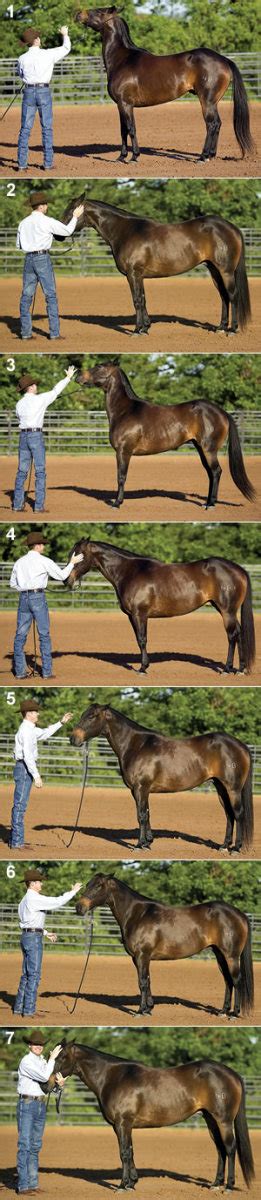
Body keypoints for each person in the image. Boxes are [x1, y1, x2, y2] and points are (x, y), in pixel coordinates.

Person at [10, 530, 83, 681]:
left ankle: (20, 672)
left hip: (23, 598)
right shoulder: (44, 561)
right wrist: (72, 563)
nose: (43, 546)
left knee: (20, 635)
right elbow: (62, 576)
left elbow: (12, 584)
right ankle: (47, 672)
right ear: (37, 546)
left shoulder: (19, 562)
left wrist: (25, 588)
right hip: (38, 598)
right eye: (42, 544)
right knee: (44, 635)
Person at [16, 191, 84, 341]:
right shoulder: (47, 221)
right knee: (50, 296)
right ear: (41, 206)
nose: (47, 206)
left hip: (28, 259)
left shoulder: (23, 223)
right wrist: (75, 217)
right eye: (45, 204)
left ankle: (25, 333)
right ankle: (54, 333)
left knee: (26, 296)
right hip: (42, 259)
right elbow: (67, 231)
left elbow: (19, 245)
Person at [14, 869, 82, 1016]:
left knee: (26, 974)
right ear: (32, 884)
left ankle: (18, 1008)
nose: (41, 883)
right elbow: (57, 902)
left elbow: (27, 922)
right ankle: (29, 1010)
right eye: (39, 881)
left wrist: (45, 932)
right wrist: (73, 891)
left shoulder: (23, 901)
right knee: (34, 975)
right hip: (33, 939)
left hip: (26, 937)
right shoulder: (34, 898)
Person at [13, 364, 76, 513]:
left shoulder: (19, 404)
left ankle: (17, 505)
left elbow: (18, 417)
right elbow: (56, 390)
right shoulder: (41, 399)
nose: (36, 386)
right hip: (35, 436)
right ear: (32, 387)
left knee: (22, 471)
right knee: (40, 471)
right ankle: (38, 506)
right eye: (35, 384)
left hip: (23, 436)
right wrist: (68, 377)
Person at [11, 697, 73, 849]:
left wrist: (61, 722)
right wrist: (37, 775)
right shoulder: (25, 731)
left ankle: (18, 841)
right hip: (24, 768)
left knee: (20, 805)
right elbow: (27, 755)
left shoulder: (30, 729)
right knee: (20, 805)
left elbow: (45, 733)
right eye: (35, 712)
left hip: (25, 769)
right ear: (28, 714)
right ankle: (17, 843)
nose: (38, 714)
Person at [17, 27, 71, 172]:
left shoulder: (21, 58)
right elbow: (66, 48)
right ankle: (47, 164)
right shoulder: (48, 54)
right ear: (37, 40)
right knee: (46, 128)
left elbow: (20, 75)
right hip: (44, 91)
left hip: (28, 91)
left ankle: (22, 165)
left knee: (25, 128)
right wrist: (65, 34)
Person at [16, 1030, 64, 1194]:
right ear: (29, 1045)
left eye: (40, 1044)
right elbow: (44, 1077)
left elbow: (47, 1085)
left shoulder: (42, 1061)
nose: (38, 1047)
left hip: (39, 1104)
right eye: (35, 1044)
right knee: (25, 1145)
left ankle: (33, 1184)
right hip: (28, 1104)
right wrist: (52, 1059)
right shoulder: (26, 1062)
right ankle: (23, 1185)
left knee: (35, 1146)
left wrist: (58, 1084)